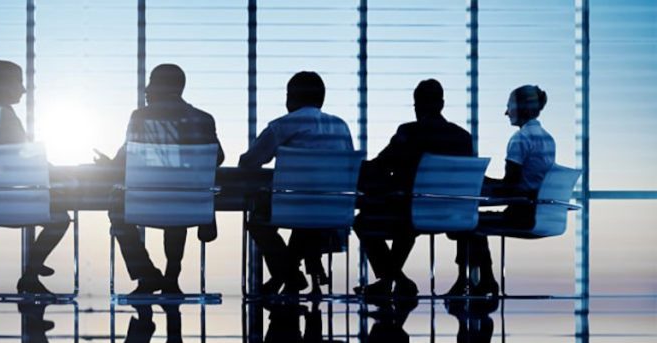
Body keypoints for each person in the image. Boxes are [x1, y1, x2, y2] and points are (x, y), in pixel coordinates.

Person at [98, 64, 224, 294]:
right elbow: (218, 157)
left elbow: (124, 159)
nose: (146, 90)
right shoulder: (204, 119)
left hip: (146, 199)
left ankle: (147, 275)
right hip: (189, 203)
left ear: (159, 87)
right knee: (177, 204)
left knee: (117, 209)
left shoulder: (139, 117)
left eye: (151, 84)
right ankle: (171, 275)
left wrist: (108, 165)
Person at [353, 79, 474, 297]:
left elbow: (381, 164)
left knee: (362, 221)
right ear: (442, 104)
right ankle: (392, 280)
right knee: (405, 221)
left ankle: (396, 279)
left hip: (410, 213)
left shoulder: (409, 132)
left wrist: (354, 168)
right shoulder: (463, 138)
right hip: (452, 215)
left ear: (417, 105)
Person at [238, 71, 355, 297]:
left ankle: (289, 275)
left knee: (259, 221)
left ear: (291, 97)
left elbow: (249, 161)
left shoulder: (283, 126)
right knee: (305, 219)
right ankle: (289, 276)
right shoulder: (341, 127)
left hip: (295, 206)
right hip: (334, 210)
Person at [0, 60, 71, 294]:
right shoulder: (0, 113)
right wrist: (53, 168)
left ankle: (33, 266)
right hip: (9, 199)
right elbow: (20, 155)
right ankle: (31, 272)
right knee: (60, 217)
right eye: (19, 82)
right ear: (6, 84)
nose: (23, 90)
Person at [445, 85, 555, 296]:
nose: (506, 113)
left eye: (509, 107)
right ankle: (480, 280)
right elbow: (522, 182)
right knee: (471, 222)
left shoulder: (520, 139)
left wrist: (480, 183)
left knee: (466, 222)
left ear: (521, 107)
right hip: (539, 212)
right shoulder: (547, 139)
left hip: (521, 214)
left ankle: (476, 281)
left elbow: (510, 187)